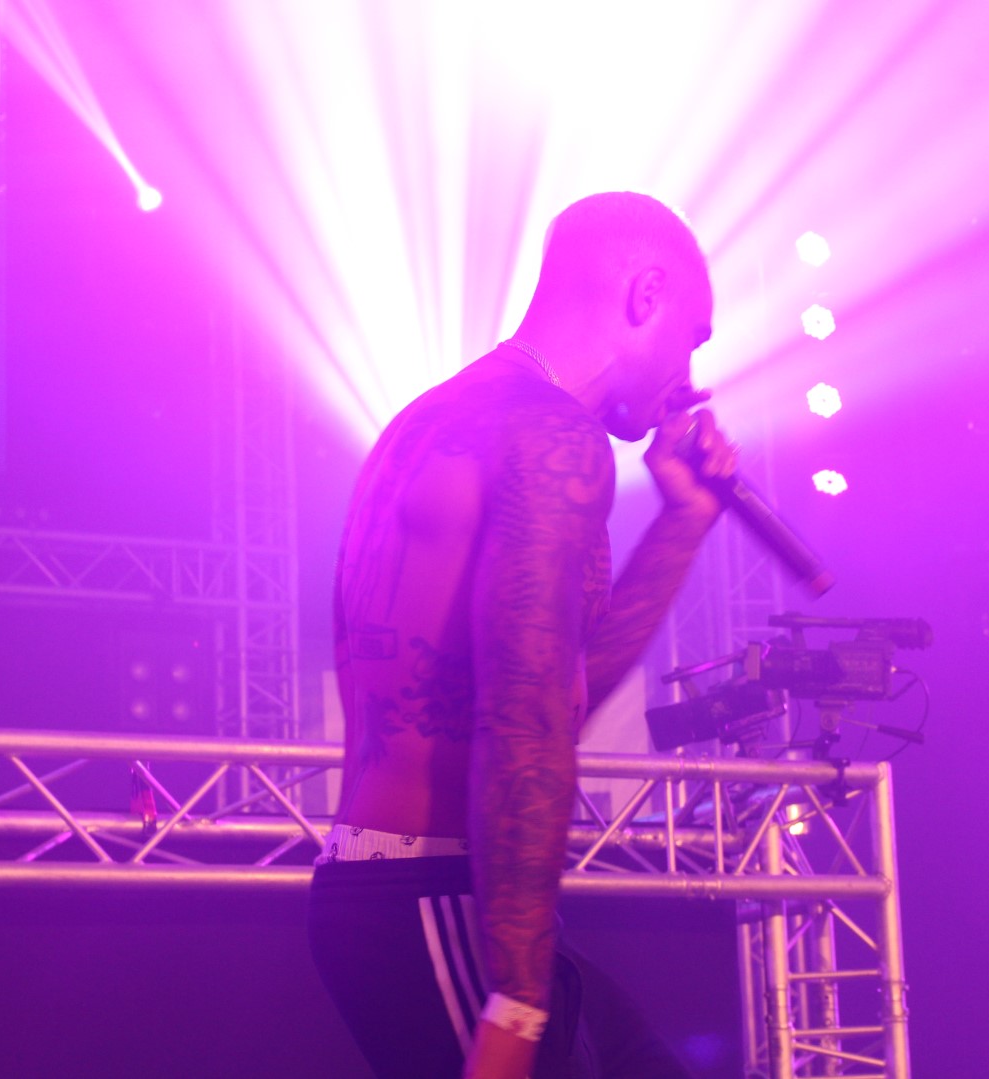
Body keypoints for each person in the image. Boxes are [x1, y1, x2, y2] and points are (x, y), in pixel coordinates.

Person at [310, 191, 736, 1079]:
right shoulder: (554, 436)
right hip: (439, 897)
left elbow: (555, 679)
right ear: (646, 293)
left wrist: (685, 520)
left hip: (405, 891)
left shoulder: (432, 421)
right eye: (694, 336)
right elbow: (524, 719)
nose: (690, 370)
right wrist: (516, 998)